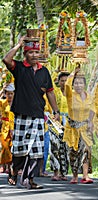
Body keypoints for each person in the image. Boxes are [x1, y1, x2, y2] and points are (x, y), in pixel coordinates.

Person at [2, 36, 60, 189]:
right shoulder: (20, 68)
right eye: (31, 52)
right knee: (20, 149)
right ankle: (14, 170)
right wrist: (19, 44)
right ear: (25, 54)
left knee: (36, 150)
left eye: (37, 52)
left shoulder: (44, 71)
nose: (34, 55)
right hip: (22, 115)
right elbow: (6, 59)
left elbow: (50, 93)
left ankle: (29, 179)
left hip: (38, 115)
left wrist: (56, 111)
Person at [63, 67, 95, 184]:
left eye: (81, 83)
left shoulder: (89, 96)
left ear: (84, 84)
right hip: (72, 129)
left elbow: (93, 110)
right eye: (76, 83)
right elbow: (67, 85)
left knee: (86, 151)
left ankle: (85, 176)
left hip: (85, 128)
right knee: (73, 152)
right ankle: (75, 175)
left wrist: (91, 122)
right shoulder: (70, 95)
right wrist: (73, 73)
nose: (78, 85)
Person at [49, 71, 70, 181]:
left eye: (67, 81)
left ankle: (63, 172)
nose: (64, 83)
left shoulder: (73, 93)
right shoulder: (55, 92)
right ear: (59, 82)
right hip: (55, 121)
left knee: (65, 148)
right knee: (55, 146)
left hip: (68, 123)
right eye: (62, 81)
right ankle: (55, 172)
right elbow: (50, 85)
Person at [0, 83, 15, 175]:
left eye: (11, 93)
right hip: (4, 127)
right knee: (4, 146)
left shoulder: (17, 103)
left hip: (14, 126)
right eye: (8, 93)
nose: (9, 95)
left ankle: (10, 166)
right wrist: (2, 90)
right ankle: (3, 165)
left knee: (12, 147)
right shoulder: (3, 103)